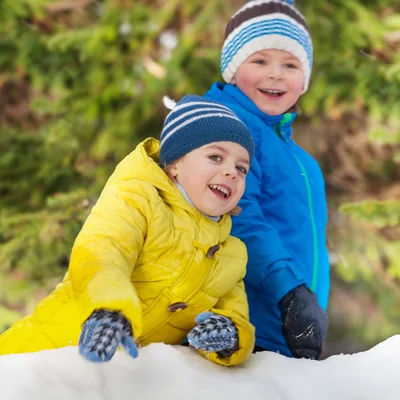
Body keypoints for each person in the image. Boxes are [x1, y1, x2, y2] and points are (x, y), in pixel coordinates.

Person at [0, 96, 256, 367]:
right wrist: (111, 309)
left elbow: (235, 314)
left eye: (242, 168)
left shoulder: (232, 255)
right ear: (174, 165)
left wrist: (231, 338)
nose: (231, 172)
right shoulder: (138, 200)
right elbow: (102, 252)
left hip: (121, 380)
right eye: (215, 157)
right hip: (46, 351)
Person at [203, 0, 329, 359]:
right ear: (232, 69)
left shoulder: (299, 157)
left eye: (290, 64)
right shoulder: (229, 127)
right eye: (259, 61)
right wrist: (289, 292)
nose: (275, 74)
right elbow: (240, 215)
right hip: (246, 323)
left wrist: (306, 307)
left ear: (304, 80)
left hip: (294, 327)